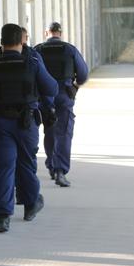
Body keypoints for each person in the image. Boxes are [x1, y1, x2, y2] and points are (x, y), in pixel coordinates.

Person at [0, 24, 58, 233]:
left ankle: (3, 217)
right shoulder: (33, 61)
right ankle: (30, 206)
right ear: (22, 41)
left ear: (1, 41)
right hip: (26, 123)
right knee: (26, 165)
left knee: (3, 168)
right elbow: (51, 88)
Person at [35, 22, 89, 187]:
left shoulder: (38, 49)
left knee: (49, 130)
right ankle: (60, 171)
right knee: (64, 132)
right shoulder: (69, 49)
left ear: (47, 33)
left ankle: (51, 166)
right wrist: (74, 87)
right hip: (64, 95)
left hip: (44, 96)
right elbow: (83, 74)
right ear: (60, 33)